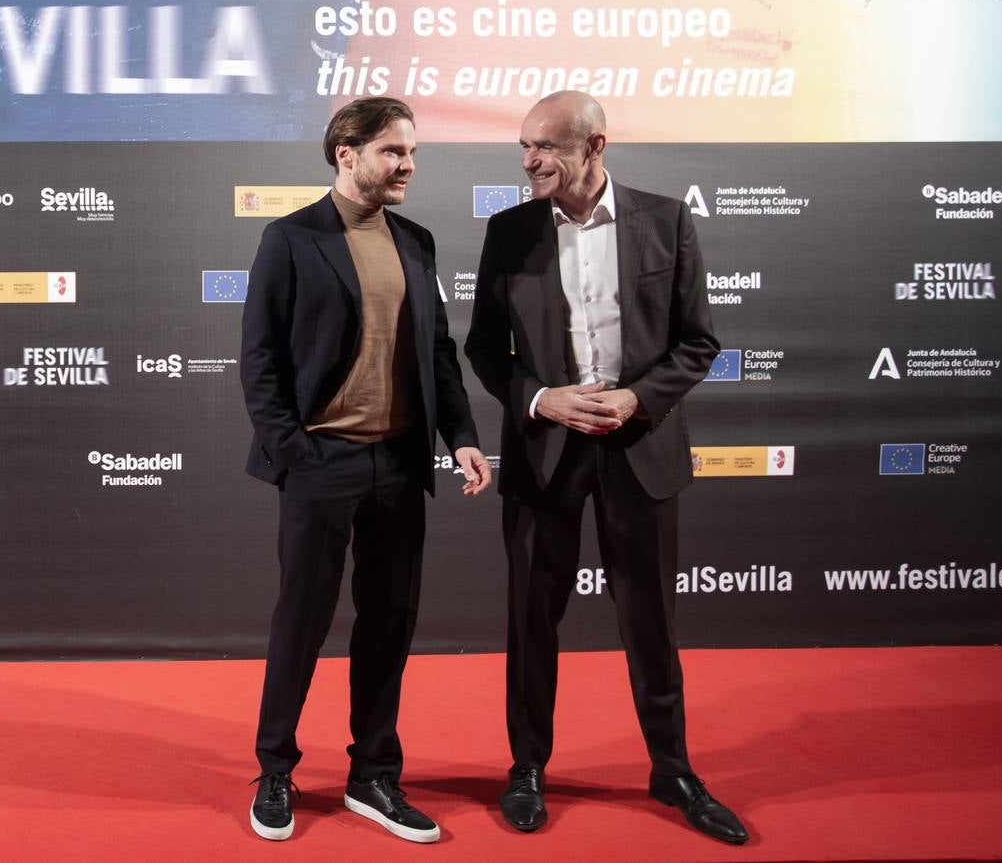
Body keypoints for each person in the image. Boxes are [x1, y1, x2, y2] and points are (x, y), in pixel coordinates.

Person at [464, 91, 747, 844]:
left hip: (638, 451)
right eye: (524, 148)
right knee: (531, 618)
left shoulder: (666, 220)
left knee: (650, 619)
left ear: (595, 147)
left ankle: (673, 768)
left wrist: (633, 399)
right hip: (544, 453)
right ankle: (527, 768)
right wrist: (540, 399)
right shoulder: (510, 230)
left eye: (546, 149)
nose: (529, 162)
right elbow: (485, 349)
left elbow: (697, 343)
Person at [241, 96, 492, 844]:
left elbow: (436, 352)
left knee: (389, 625)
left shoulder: (416, 240)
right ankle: (276, 769)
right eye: (393, 152)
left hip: (400, 462)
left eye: (411, 152)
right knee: (303, 622)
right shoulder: (290, 239)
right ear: (346, 153)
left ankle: (374, 775)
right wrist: (295, 454)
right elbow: (259, 363)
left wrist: (463, 435)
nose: (408, 165)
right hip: (322, 464)